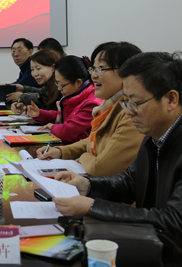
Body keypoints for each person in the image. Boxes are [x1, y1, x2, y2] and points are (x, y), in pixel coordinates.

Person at [53, 52, 182, 263]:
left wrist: (92, 206)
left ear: (171, 99)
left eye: (136, 103)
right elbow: (130, 181)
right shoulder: (153, 135)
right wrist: (87, 185)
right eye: (126, 102)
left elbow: (173, 222)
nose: (129, 112)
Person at [37, 42, 143, 176]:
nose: (94, 75)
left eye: (101, 68)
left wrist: (83, 157)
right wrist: (61, 151)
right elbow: (95, 140)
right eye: (93, 69)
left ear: (126, 72)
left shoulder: (130, 113)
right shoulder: (108, 106)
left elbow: (100, 167)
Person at [26, 55, 101, 144]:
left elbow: (68, 132)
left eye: (61, 85)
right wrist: (40, 113)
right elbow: (63, 116)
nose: (59, 89)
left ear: (78, 82)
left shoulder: (91, 103)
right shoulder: (75, 95)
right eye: (57, 84)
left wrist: (52, 127)